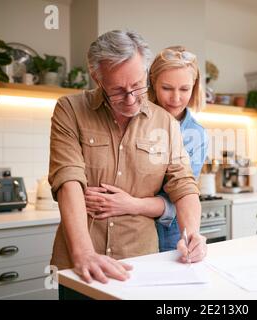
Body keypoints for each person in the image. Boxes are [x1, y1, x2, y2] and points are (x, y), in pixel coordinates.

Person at [48, 30, 207, 289]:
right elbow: (68, 179)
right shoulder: (70, 110)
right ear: (97, 78)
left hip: (141, 263)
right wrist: (84, 253)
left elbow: (184, 184)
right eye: (118, 91)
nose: (131, 99)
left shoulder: (165, 122)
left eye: (137, 86)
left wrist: (192, 234)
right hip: (80, 263)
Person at [85, 46, 208, 252]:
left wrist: (131, 203)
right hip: (122, 235)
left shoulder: (196, 135)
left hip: (170, 237)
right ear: (151, 82)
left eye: (184, 89)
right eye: (167, 88)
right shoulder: (128, 114)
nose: (176, 98)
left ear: (194, 87)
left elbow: (178, 198)